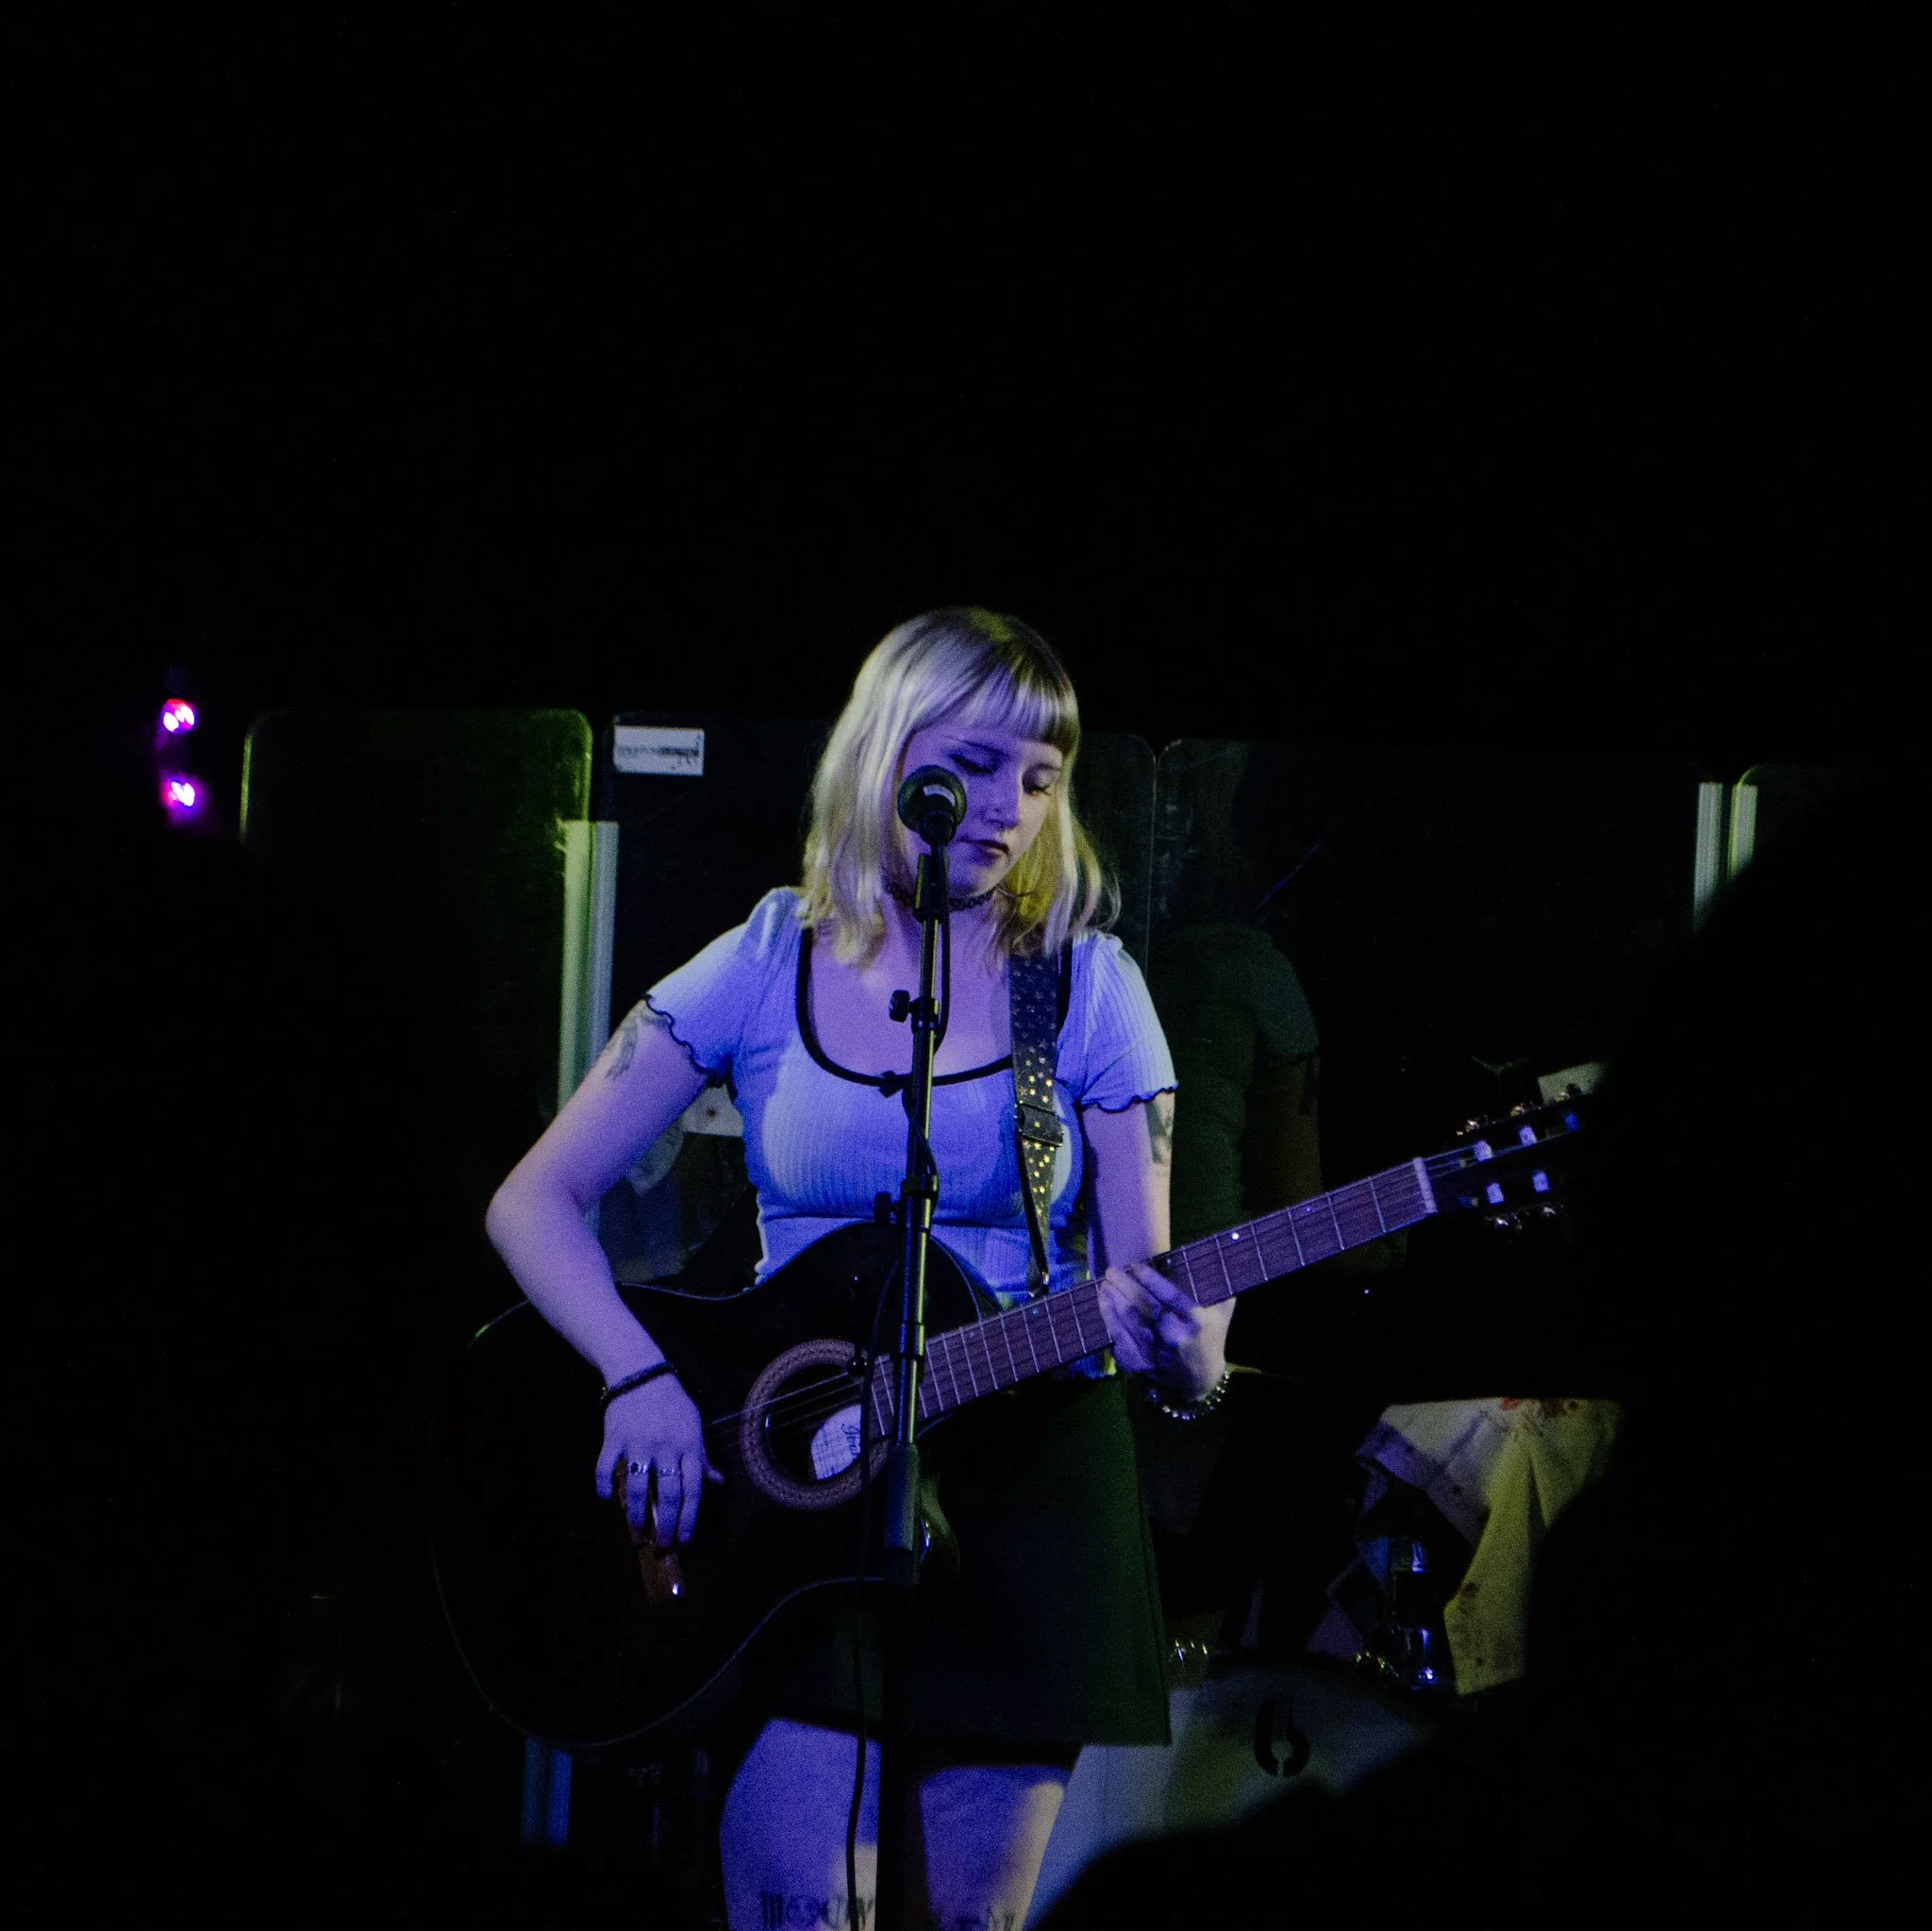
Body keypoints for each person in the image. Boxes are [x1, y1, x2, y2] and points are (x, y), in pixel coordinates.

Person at [485, 608, 1230, 1928]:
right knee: (792, 1899)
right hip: (810, 1483)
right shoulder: (769, 953)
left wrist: (1187, 1349)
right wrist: (638, 1372)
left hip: (1027, 1486)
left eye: (1043, 778)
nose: (1010, 807)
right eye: (978, 766)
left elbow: (1150, 1284)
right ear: (887, 753)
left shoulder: (1091, 984)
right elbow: (534, 1199)